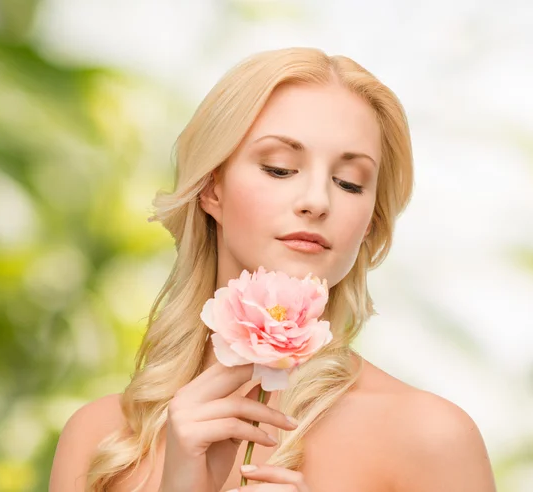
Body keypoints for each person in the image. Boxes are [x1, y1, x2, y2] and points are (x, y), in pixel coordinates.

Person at [49, 47, 497, 492]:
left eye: (350, 183)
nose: (318, 201)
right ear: (211, 188)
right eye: (280, 169)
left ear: (370, 222)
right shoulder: (99, 439)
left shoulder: (430, 438)